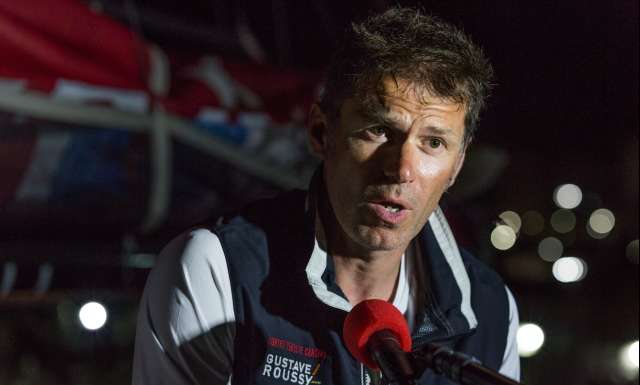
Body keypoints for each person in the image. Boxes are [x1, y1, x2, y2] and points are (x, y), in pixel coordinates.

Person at [133, 7, 520, 385]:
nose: (402, 169)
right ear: (321, 133)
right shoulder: (217, 270)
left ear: (455, 167)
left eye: (433, 143)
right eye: (378, 130)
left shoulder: (491, 311)